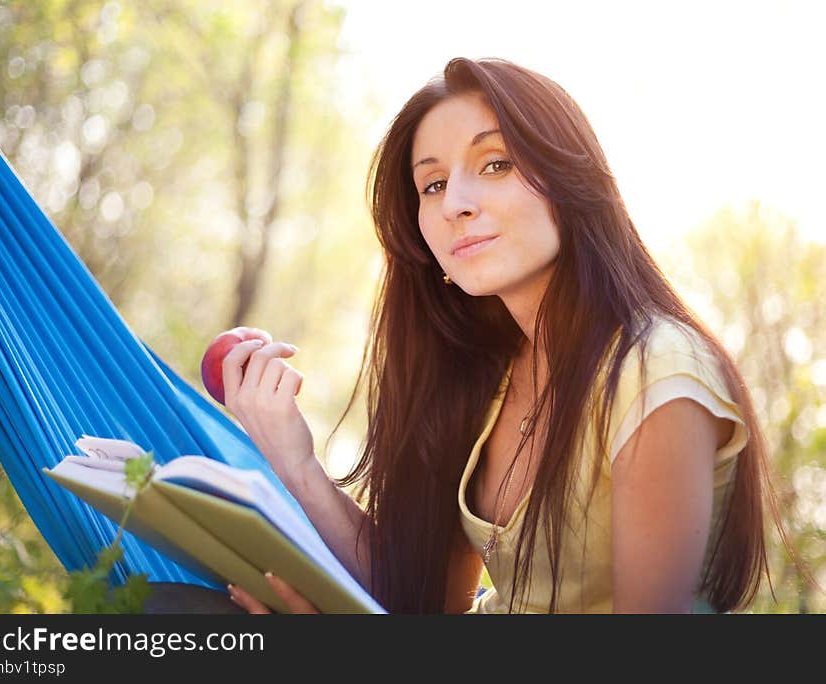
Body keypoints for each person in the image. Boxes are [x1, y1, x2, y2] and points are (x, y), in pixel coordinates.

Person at [218, 57, 787, 614]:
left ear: (570, 179)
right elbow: (423, 597)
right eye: (433, 184)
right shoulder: (484, 371)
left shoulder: (656, 370)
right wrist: (294, 462)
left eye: (495, 164)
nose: (456, 205)